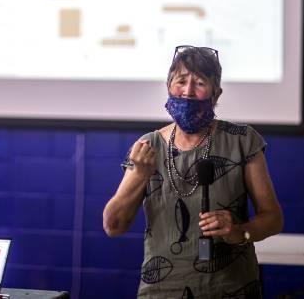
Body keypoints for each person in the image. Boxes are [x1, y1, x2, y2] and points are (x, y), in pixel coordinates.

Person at [103, 45, 283, 298]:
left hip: (231, 288)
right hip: (162, 290)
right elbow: (113, 226)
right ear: (168, 86)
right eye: (181, 81)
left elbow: (273, 218)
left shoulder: (243, 141)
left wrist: (239, 232)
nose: (187, 92)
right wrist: (140, 174)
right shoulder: (147, 147)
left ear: (215, 93)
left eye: (199, 83)